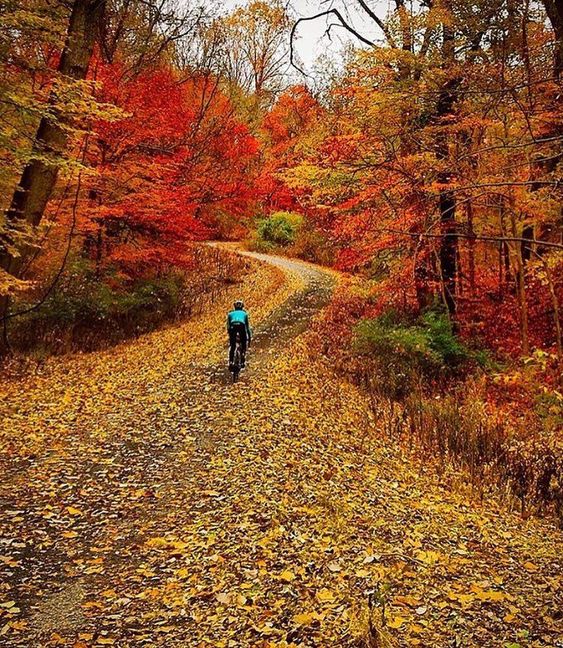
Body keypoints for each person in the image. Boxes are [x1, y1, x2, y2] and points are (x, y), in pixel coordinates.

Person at [227, 300, 251, 368]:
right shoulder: (244, 314)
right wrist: (249, 338)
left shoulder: (230, 314)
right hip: (241, 325)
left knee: (233, 345)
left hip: (232, 326)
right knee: (243, 342)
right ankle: (243, 359)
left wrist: (230, 336)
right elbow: (247, 328)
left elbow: (228, 326)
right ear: (242, 307)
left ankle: (231, 361)